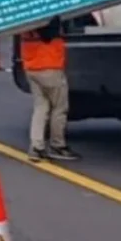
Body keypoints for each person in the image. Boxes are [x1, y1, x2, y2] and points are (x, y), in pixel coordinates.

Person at [20, 17, 79, 162]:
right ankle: (57, 145)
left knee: (41, 107)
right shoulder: (47, 17)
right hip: (49, 66)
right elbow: (50, 32)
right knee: (59, 108)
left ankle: (36, 147)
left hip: (31, 66)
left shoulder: (24, 19)